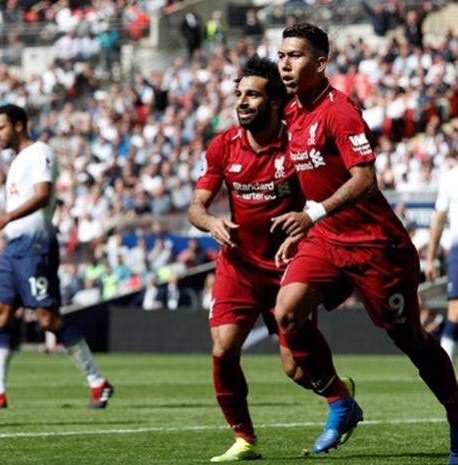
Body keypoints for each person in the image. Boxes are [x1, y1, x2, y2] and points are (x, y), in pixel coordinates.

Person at [272, 23, 458, 461]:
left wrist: (311, 212)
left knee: (410, 339)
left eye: (295, 55)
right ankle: (341, 402)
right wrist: (300, 224)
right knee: (288, 312)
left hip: (376, 247)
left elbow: (366, 180)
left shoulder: (340, 111)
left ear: (321, 64)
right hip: (326, 241)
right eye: (282, 55)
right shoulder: (292, 113)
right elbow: (307, 175)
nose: (285, 63)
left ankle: (456, 415)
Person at [188, 55, 354, 462]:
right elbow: (196, 205)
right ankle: (244, 438)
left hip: (287, 268)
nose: (242, 102)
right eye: (239, 94)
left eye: (253, 95)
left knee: (296, 371)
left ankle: (340, 394)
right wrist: (210, 222)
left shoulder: (298, 145)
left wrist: (309, 233)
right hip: (239, 266)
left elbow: (325, 196)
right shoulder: (223, 146)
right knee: (223, 348)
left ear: (276, 102)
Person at [0, 104, 113, 410]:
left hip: (35, 247)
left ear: (19, 125)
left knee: (48, 319)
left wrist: (6, 217)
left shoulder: (40, 151)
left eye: (0, 127)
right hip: (13, 248)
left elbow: (43, 194)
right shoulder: (18, 161)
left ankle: (98, 383)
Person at [426, 149, 458, 361]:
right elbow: (438, 219)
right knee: (455, 311)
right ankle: (444, 370)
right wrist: (430, 258)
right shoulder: (449, 178)